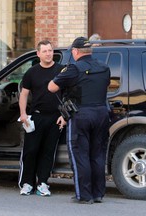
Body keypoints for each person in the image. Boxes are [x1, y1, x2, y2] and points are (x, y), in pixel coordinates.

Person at [48, 37, 110, 204]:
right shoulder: (104, 67)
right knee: (97, 155)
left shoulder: (74, 69)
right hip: (102, 113)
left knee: (80, 155)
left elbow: (51, 87)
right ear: (90, 51)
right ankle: (98, 194)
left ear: (75, 51)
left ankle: (83, 195)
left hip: (82, 115)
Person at [18, 40, 65, 196]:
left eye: (50, 50)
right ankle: (27, 183)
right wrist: (23, 114)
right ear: (38, 54)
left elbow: (68, 95)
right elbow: (24, 94)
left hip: (55, 119)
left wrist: (64, 116)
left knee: (48, 152)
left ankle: (43, 183)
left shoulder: (61, 70)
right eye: (44, 51)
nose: (48, 53)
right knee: (30, 151)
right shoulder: (31, 72)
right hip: (35, 117)